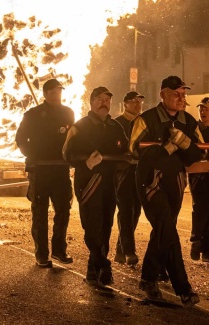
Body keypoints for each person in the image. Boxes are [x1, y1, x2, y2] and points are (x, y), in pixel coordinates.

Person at [129, 76, 203, 306]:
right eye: (176, 94)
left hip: (176, 183)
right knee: (166, 226)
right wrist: (169, 147)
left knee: (164, 231)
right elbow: (134, 151)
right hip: (150, 182)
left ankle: (150, 278)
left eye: (183, 94)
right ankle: (182, 287)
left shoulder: (189, 121)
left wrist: (185, 143)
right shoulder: (146, 119)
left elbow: (198, 154)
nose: (181, 98)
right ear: (162, 94)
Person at [63, 87, 128, 286]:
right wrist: (85, 164)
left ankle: (94, 267)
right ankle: (103, 265)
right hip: (88, 181)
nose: (104, 103)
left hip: (110, 182)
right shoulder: (80, 126)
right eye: (99, 99)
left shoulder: (115, 127)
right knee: (92, 226)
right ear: (91, 102)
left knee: (106, 225)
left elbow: (125, 150)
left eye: (107, 99)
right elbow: (66, 153)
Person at [15, 78, 75, 267]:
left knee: (63, 211)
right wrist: (32, 156)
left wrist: (71, 156)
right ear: (46, 94)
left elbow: (72, 137)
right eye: (54, 92)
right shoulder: (32, 115)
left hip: (60, 169)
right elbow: (21, 138)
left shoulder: (68, 113)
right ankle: (42, 254)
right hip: (40, 170)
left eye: (59, 92)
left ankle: (59, 250)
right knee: (40, 213)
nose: (58, 95)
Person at [113, 91, 145, 266]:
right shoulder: (118, 124)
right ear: (125, 104)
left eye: (139, 101)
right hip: (123, 172)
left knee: (136, 211)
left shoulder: (143, 122)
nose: (137, 104)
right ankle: (129, 251)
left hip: (139, 171)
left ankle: (121, 248)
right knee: (126, 210)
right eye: (133, 101)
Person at [188, 97, 209, 263]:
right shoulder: (194, 129)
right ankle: (196, 240)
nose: (203, 111)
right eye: (201, 108)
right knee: (200, 207)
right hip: (197, 174)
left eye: (207, 109)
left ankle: (207, 249)